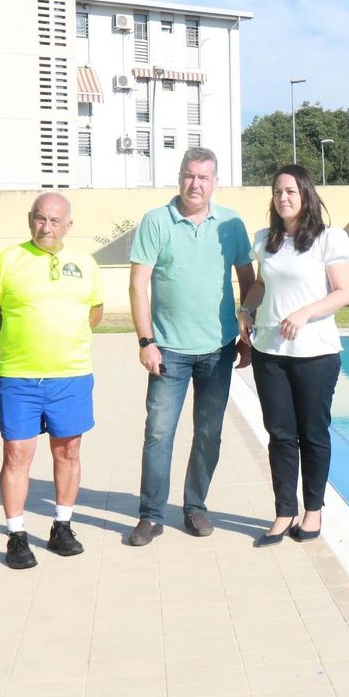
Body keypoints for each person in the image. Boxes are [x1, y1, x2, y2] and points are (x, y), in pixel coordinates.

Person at [127, 147, 253, 546]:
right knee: (159, 433)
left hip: (218, 349)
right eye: (189, 175)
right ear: (179, 176)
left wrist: (247, 337)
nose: (195, 184)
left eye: (203, 177)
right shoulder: (156, 221)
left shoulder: (231, 223)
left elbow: (249, 283)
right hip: (169, 351)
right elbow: (138, 285)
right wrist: (146, 341)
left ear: (214, 181)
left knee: (208, 434)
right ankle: (150, 515)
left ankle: (195, 506)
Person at [0, 192, 105, 569]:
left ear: (68, 225)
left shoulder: (84, 263)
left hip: (71, 376)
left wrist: (65, 340)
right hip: (19, 377)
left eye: (54, 221)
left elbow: (94, 312)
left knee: (68, 450)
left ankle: (62, 526)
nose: (46, 227)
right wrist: (22, 338)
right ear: (29, 219)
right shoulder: (8, 260)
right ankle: (16, 535)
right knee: (17, 453)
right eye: (40, 219)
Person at [239, 165, 349, 547]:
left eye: (290, 191)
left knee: (313, 435)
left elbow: (344, 293)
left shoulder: (328, 240)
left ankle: (313, 510)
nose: (283, 197)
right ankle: (284, 511)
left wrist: (305, 312)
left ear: (305, 194)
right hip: (270, 353)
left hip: (316, 354)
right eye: (277, 192)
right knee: (280, 436)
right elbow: (259, 284)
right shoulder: (265, 240)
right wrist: (245, 310)